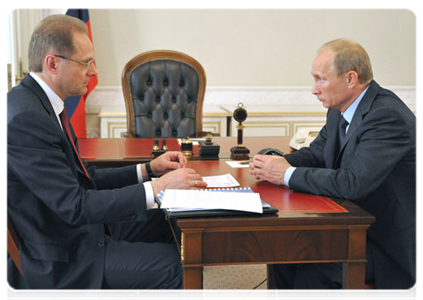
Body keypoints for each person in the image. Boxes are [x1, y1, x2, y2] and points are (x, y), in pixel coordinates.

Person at [5, 14, 207, 300]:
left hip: (73, 234)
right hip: (62, 258)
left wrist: (148, 170)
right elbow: (75, 205)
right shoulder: (27, 118)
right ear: (53, 63)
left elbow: (84, 180)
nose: (94, 71)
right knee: (176, 267)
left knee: (162, 218)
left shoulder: (39, 104)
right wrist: (158, 188)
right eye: (86, 62)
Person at [249, 38, 419, 300]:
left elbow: (354, 182)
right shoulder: (340, 110)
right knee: (283, 252)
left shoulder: (386, 116)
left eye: (320, 79)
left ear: (351, 79)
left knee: (313, 266)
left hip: (386, 245)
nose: (314, 89)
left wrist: (285, 174)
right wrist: (274, 161)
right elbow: (316, 155)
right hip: (351, 227)